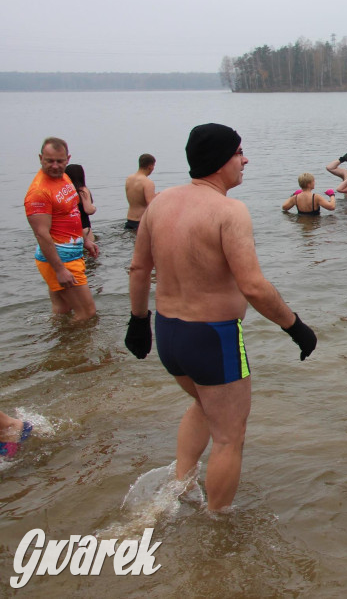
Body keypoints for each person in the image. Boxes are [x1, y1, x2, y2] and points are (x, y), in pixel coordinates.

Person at [125, 123, 317, 512]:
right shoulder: (230, 211)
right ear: (219, 160)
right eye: (238, 153)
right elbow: (253, 287)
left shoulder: (159, 204)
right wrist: (296, 327)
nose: (245, 160)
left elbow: (138, 269)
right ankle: (218, 525)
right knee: (230, 437)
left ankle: (180, 485)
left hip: (168, 333)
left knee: (203, 405)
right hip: (213, 338)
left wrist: (137, 321)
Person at [25, 137, 99, 321]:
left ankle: (60, 347)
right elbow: (41, 234)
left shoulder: (63, 177)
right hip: (61, 259)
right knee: (87, 314)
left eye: (60, 161)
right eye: (49, 161)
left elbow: (71, 212)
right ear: (40, 158)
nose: (55, 166)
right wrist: (59, 269)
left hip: (68, 252)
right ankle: (76, 350)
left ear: (68, 159)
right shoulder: (39, 192)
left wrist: (85, 240)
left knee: (62, 309)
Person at [64, 163, 96, 244]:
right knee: (91, 253)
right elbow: (89, 210)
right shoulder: (82, 190)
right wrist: (94, 208)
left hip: (68, 230)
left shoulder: (64, 192)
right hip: (84, 228)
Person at [125, 153, 157, 230]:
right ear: (150, 166)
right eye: (154, 166)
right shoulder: (147, 182)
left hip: (129, 220)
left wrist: (155, 195)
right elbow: (151, 204)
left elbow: (137, 197)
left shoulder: (129, 178)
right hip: (140, 221)